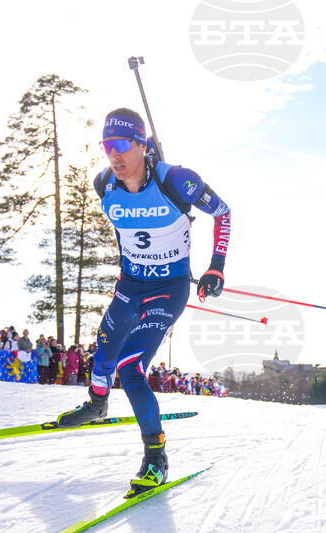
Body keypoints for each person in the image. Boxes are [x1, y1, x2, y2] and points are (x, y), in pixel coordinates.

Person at [54, 107, 231, 498]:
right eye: (106, 146)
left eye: (121, 145)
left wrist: (215, 266)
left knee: (130, 366)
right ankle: (97, 404)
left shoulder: (177, 181)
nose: (113, 155)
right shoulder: (104, 184)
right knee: (102, 349)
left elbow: (223, 212)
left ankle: (156, 456)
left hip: (168, 288)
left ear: (142, 145)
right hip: (131, 284)